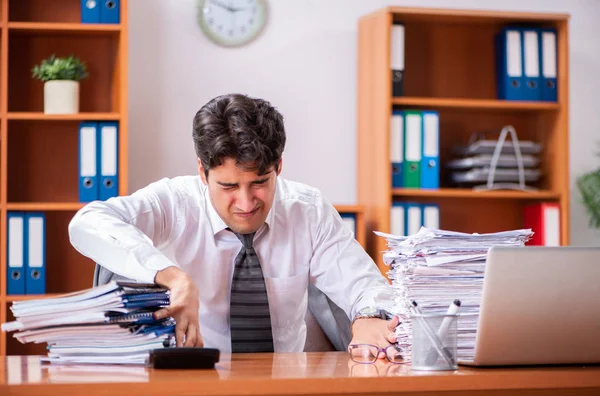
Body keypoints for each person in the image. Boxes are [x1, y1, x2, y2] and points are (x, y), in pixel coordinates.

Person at [69, 93, 398, 355]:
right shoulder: (174, 202)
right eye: (228, 186)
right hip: (192, 388)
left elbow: (365, 285)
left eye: (259, 182)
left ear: (279, 166)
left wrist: (369, 316)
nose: (246, 203)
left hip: (285, 389)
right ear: (202, 171)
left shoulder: (307, 210)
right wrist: (172, 277)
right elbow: (87, 222)